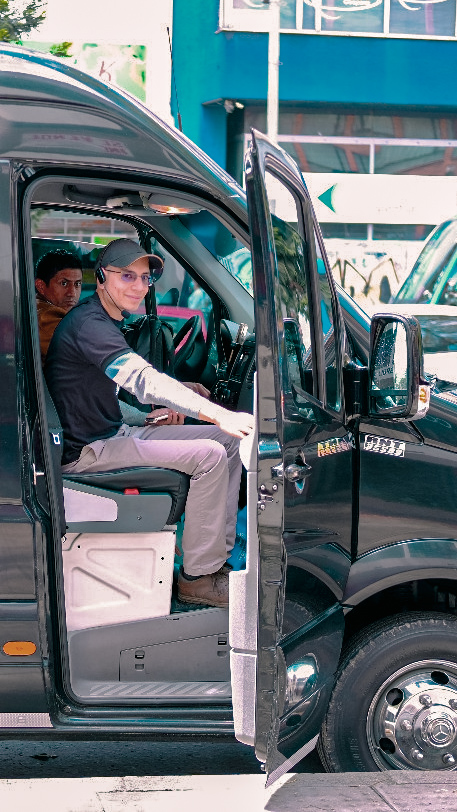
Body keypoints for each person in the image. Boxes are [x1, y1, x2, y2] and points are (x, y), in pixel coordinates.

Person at [45, 238, 254, 608]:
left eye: (145, 278)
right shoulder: (89, 324)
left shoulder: (103, 320)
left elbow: (100, 397)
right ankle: (197, 578)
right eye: (128, 276)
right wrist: (219, 412)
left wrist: (147, 416)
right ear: (103, 278)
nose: (140, 286)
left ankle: (212, 561)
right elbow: (141, 380)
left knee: (231, 442)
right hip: (89, 451)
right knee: (208, 455)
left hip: (112, 433)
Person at [35, 250, 83, 364]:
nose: (72, 293)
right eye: (64, 283)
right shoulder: (45, 316)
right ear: (41, 286)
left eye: (77, 284)